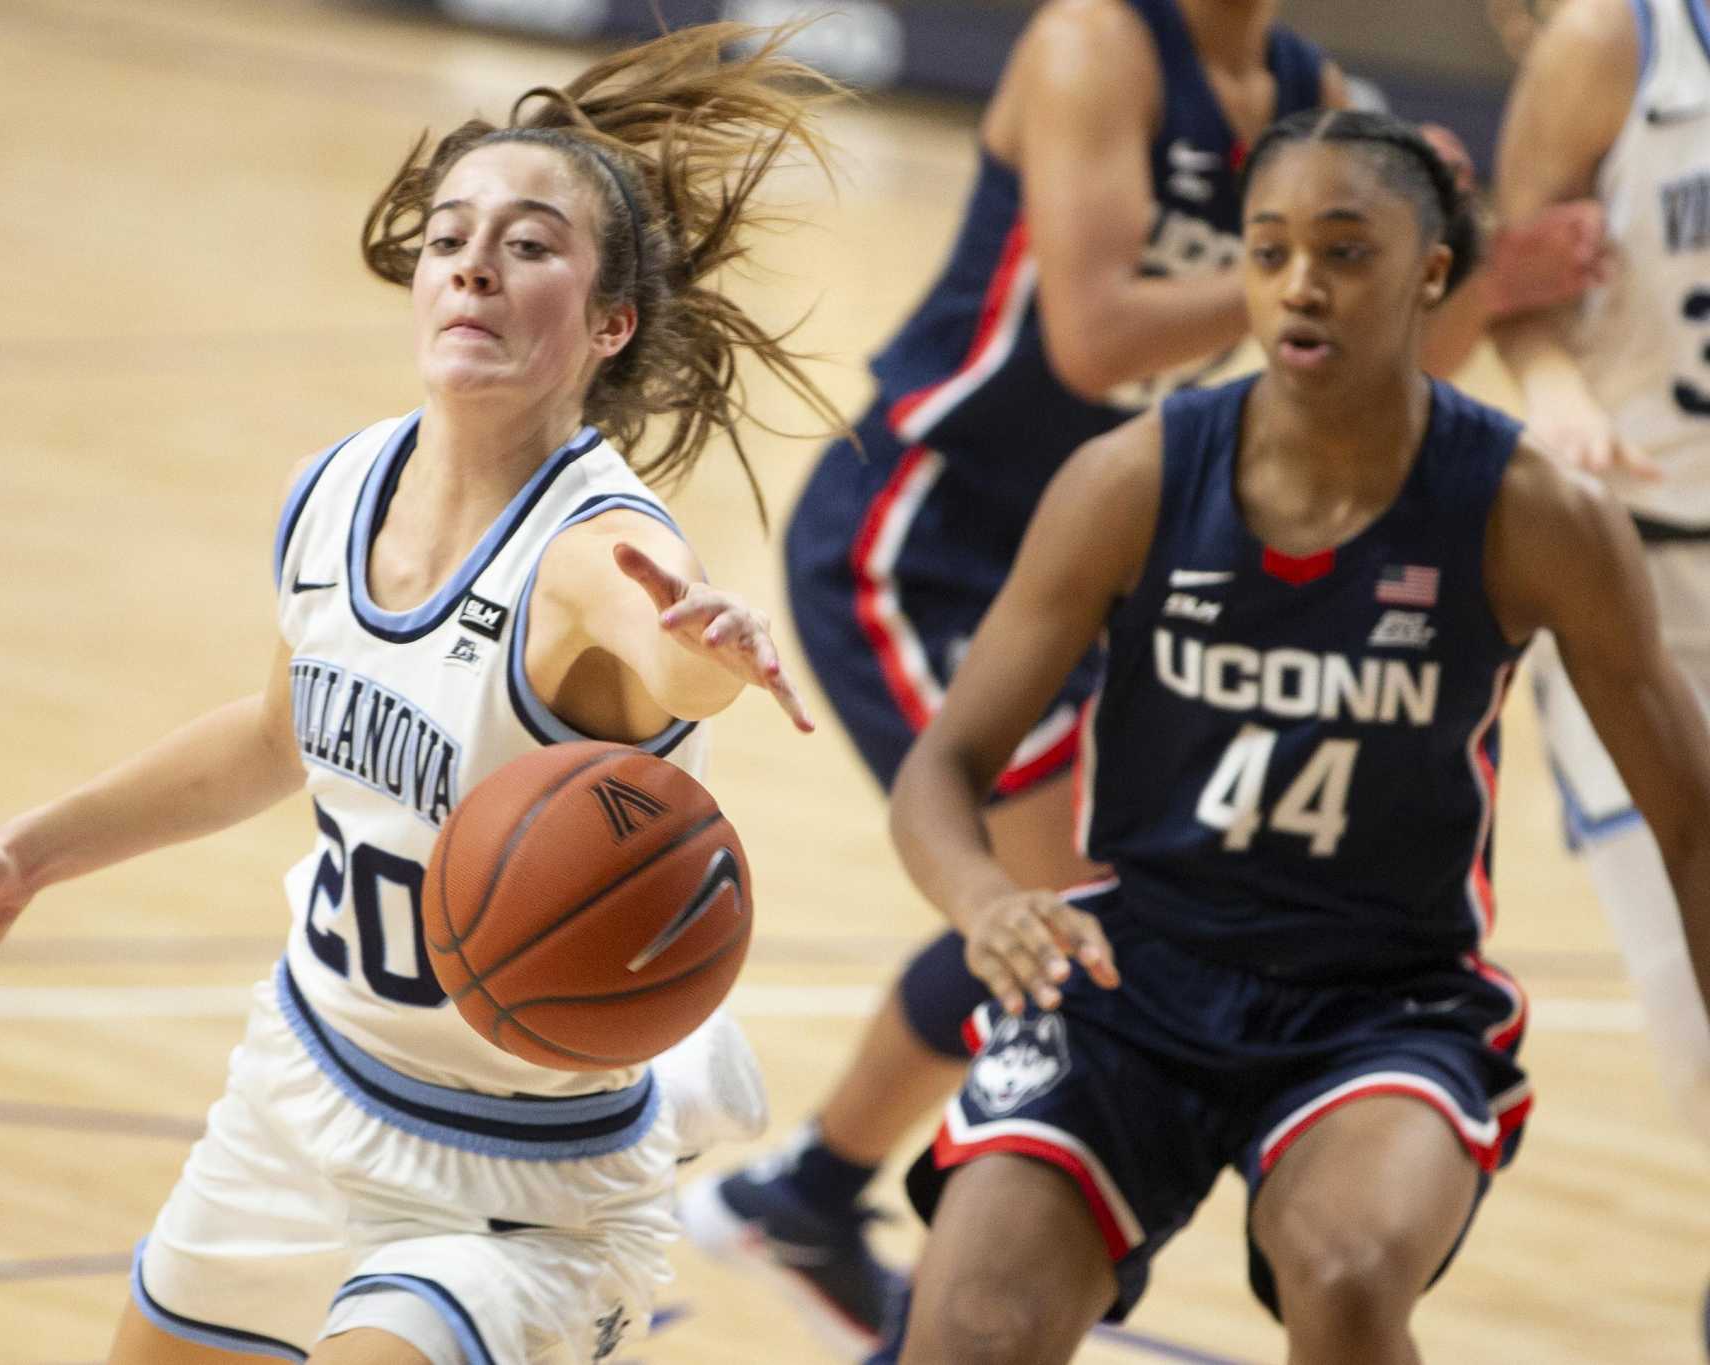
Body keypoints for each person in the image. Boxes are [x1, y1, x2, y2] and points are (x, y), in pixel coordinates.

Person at [0, 25, 844, 1365]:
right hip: (303, 1092)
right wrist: (24, 858)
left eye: (530, 243)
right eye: (449, 237)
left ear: (610, 324)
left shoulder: (598, 554)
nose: (474, 261)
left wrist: (713, 644)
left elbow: (666, 663)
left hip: (517, 1191)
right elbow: (271, 736)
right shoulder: (337, 488)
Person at [678, 2, 1604, 1352]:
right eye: (1290, 246)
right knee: (1063, 910)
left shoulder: (1300, 81)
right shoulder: (1094, 44)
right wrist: (1327, 265)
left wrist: (1473, 276)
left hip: (1125, 549)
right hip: (933, 536)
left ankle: (811, 1191)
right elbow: (1094, 336)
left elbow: (1398, 365)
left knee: (1087, 911)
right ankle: (836, 1208)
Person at [878, 107, 1710, 1364]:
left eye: (1344, 250)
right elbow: (941, 766)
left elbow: (1691, 814)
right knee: (971, 1326)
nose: (1298, 286)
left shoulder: (1532, 513)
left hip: (1385, 1002)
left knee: (1346, 1270)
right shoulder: (1134, 478)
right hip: (1133, 974)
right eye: (1266, 252)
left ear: (1433, 270)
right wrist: (984, 895)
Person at [1492, 0, 1710, 1146]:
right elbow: (1510, 281)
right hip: (1635, 582)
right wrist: (1554, 384)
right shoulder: (1609, 42)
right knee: (1698, 1025)